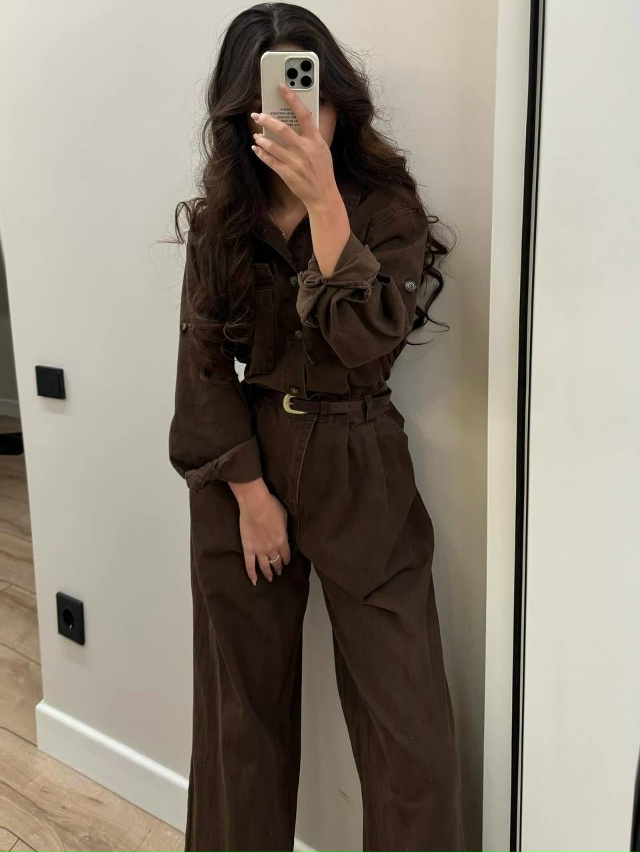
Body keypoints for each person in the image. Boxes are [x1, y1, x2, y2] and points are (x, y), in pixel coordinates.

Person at [168, 3, 466, 851]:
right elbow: (200, 367)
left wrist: (325, 200)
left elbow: (367, 344)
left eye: (316, 97)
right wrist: (249, 495)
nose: (303, 118)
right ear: (242, 116)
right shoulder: (220, 223)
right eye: (278, 101)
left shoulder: (385, 209)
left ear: (340, 99)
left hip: (359, 459)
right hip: (244, 465)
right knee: (239, 727)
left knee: (412, 741)